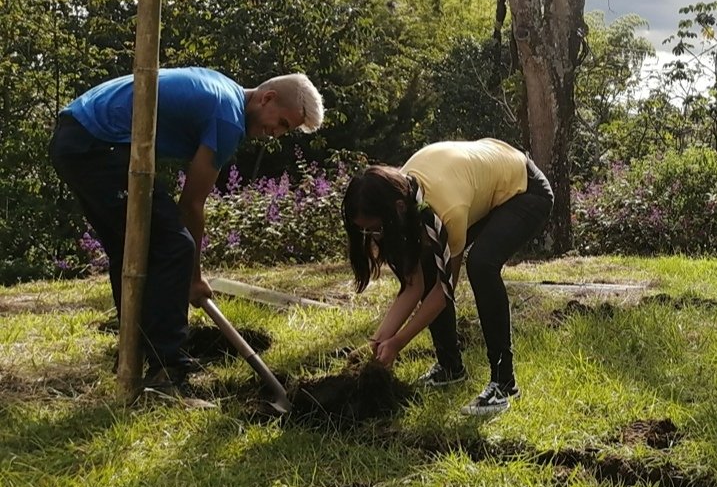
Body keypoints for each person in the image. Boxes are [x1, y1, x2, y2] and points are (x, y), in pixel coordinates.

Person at [49, 67, 325, 391]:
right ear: (267, 98)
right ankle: (168, 370)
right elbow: (192, 203)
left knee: (133, 250)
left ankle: (133, 356)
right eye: (280, 123)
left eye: (284, 131)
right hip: (97, 145)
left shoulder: (224, 90)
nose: (274, 134)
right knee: (175, 245)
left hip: (77, 136)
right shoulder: (228, 119)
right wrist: (193, 279)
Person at [342, 139, 553, 417]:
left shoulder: (444, 210)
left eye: (376, 228)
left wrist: (398, 343)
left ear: (396, 209)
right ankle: (450, 368)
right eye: (367, 232)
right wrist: (377, 342)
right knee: (430, 261)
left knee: (482, 264)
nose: (375, 237)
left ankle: (504, 384)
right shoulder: (405, 197)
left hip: (524, 189)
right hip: (481, 188)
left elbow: (444, 292)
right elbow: (413, 286)